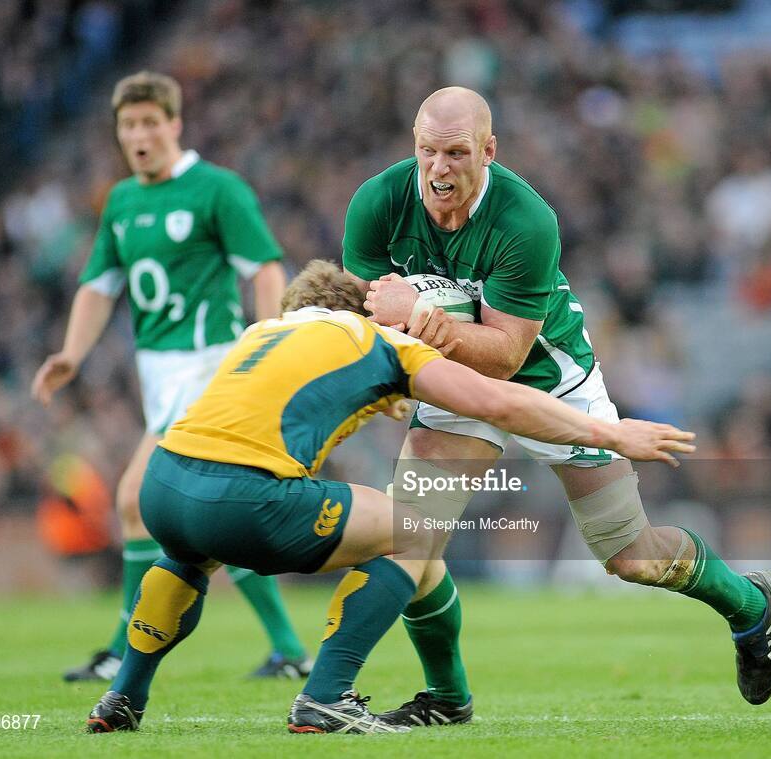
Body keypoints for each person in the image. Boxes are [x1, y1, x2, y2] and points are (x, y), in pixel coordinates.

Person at [84, 260, 695, 734]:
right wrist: (611, 431)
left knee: (192, 556)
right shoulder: (377, 340)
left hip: (167, 485)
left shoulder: (262, 332)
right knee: (415, 530)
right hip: (244, 494)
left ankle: (123, 698)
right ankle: (326, 697)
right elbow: (496, 401)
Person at [343, 86, 771, 726]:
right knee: (410, 544)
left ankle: (748, 605)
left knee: (630, 555)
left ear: (488, 151)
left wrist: (415, 316)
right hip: (448, 376)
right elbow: (362, 311)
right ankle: (446, 698)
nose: (439, 169)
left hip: (549, 376)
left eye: (457, 153)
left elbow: (504, 356)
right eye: (427, 152)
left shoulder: (526, 219)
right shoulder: (378, 202)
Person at [32, 71, 311, 681]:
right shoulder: (122, 202)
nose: (138, 135)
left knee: (136, 498)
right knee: (193, 519)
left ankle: (121, 653)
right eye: (128, 125)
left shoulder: (217, 190)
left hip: (211, 368)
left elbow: (264, 268)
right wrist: (72, 354)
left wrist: (269, 344)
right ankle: (288, 649)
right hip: (160, 379)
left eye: (149, 123)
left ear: (174, 125)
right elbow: (98, 287)